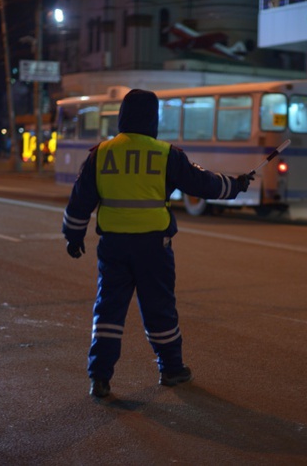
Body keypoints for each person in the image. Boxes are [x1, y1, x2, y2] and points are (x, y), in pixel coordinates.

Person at [62, 89, 253, 398]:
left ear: (122, 115)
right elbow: (201, 183)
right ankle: (171, 369)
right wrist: (236, 184)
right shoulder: (166, 154)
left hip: (113, 246)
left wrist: (73, 236)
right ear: (154, 118)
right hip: (154, 247)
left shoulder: (101, 153)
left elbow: (80, 200)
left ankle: (99, 377)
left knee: (108, 310)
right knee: (159, 308)